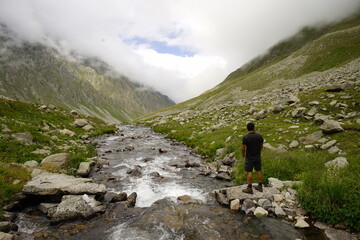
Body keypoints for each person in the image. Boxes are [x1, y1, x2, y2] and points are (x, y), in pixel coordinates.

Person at [242, 122, 264, 194]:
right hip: (257, 155)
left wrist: (243, 155)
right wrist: (259, 151)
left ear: (247, 129)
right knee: (258, 170)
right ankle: (260, 186)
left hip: (249, 157)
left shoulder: (245, 137)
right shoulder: (259, 136)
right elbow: (261, 145)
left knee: (249, 171)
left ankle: (249, 188)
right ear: (254, 128)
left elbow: (243, 148)